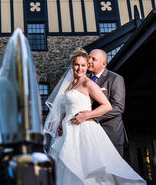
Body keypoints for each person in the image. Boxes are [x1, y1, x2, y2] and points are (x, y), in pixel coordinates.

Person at [44, 49, 145, 185]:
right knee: (69, 165)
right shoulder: (73, 83)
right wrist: (62, 121)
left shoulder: (109, 79)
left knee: (103, 171)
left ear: (104, 63)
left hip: (104, 131)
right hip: (70, 130)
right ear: (72, 65)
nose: (88, 63)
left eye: (90, 61)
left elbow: (116, 107)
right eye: (78, 64)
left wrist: (88, 116)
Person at [86, 49, 126, 156]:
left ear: (104, 63)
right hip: (90, 134)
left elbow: (118, 106)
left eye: (93, 59)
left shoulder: (115, 78)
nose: (89, 61)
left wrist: (93, 117)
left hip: (111, 133)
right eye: (89, 57)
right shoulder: (84, 80)